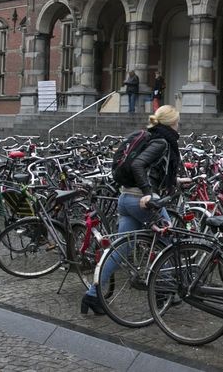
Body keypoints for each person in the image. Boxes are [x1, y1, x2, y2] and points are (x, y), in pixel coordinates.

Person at [82, 105, 191, 316]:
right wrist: (148, 192)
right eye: (177, 121)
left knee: (119, 250)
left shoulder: (151, 138)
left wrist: (175, 180)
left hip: (126, 198)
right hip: (140, 200)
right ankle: (161, 290)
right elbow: (138, 165)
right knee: (171, 242)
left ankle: (92, 296)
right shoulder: (161, 142)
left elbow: (152, 169)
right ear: (171, 123)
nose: (179, 125)